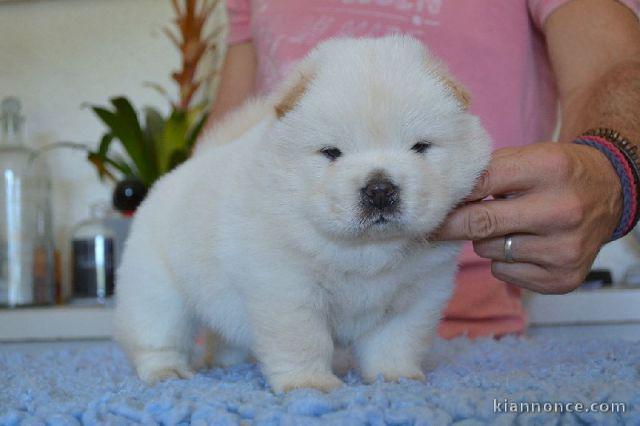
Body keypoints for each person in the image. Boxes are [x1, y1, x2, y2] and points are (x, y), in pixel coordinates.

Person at [202, 0, 640, 338]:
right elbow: (230, 133)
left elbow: (614, 65)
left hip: (458, 316)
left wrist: (609, 166)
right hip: (267, 315)